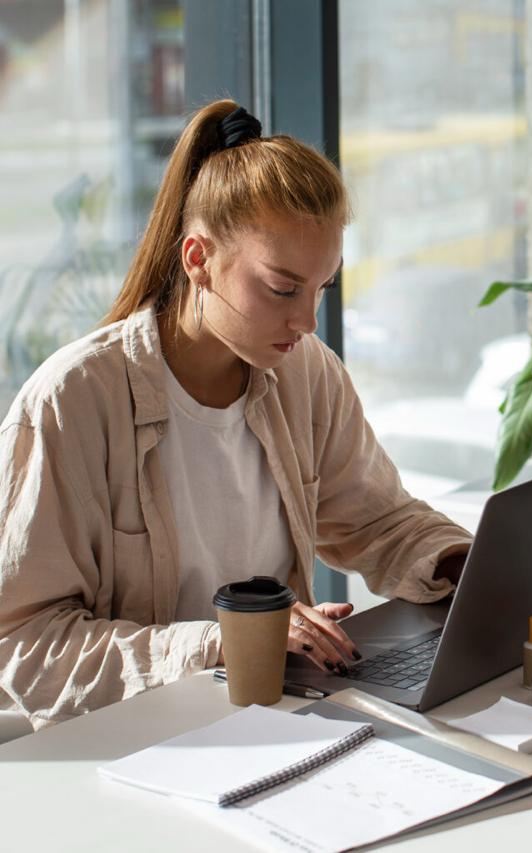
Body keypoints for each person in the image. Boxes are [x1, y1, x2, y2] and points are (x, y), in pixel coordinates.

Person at [0, 101, 473, 730]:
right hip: (141, 744)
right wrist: (226, 642)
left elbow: (379, 521)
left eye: (321, 288)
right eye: (282, 289)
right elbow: (22, 647)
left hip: (284, 722)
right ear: (198, 259)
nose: (306, 321)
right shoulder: (72, 401)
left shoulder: (306, 372)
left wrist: (467, 563)